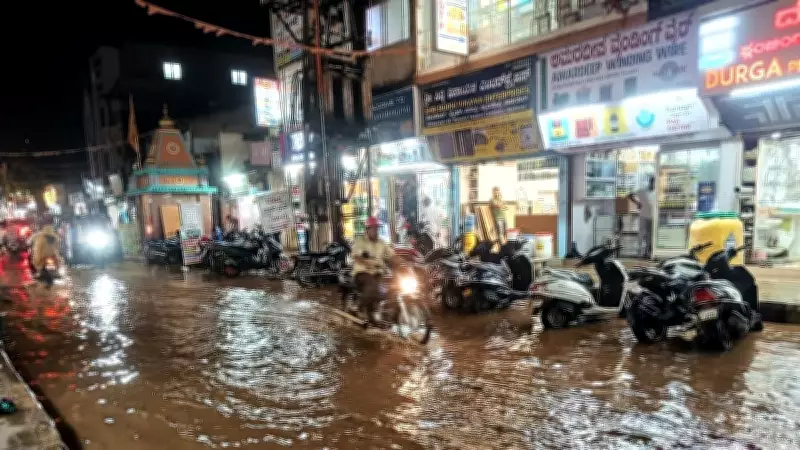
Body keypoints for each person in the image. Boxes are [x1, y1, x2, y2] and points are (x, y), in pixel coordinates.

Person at [351, 216, 396, 324]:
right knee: (372, 287)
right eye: (373, 228)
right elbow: (356, 256)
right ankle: (357, 307)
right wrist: (367, 263)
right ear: (367, 230)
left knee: (390, 288)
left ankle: (381, 313)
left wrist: (402, 263)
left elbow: (392, 255)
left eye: (377, 228)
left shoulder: (382, 242)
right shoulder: (360, 241)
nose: (375, 231)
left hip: (377, 273)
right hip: (362, 273)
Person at [628, 176, 656, 259]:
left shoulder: (656, 191)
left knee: (649, 235)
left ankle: (646, 253)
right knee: (642, 233)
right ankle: (639, 253)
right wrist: (638, 203)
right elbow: (630, 195)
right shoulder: (643, 190)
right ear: (650, 182)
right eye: (653, 182)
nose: (654, 184)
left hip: (652, 216)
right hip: (644, 215)